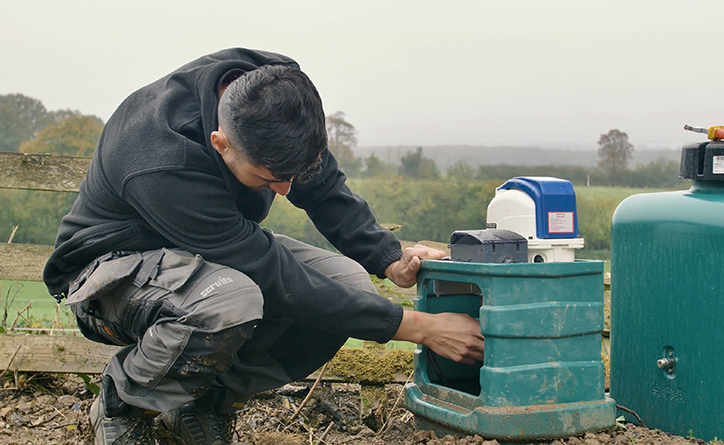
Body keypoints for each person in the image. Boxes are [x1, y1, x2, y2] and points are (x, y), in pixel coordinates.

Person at [43, 48, 484, 445]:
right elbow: (271, 275)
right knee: (228, 301)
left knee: (349, 285)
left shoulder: (275, 93)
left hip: (211, 258)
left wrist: (387, 257)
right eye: (271, 179)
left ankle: (204, 402)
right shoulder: (161, 157)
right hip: (109, 275)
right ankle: (123, 401)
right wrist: (419, 327)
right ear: (221, 144)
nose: (287, 188)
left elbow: (321, 185)